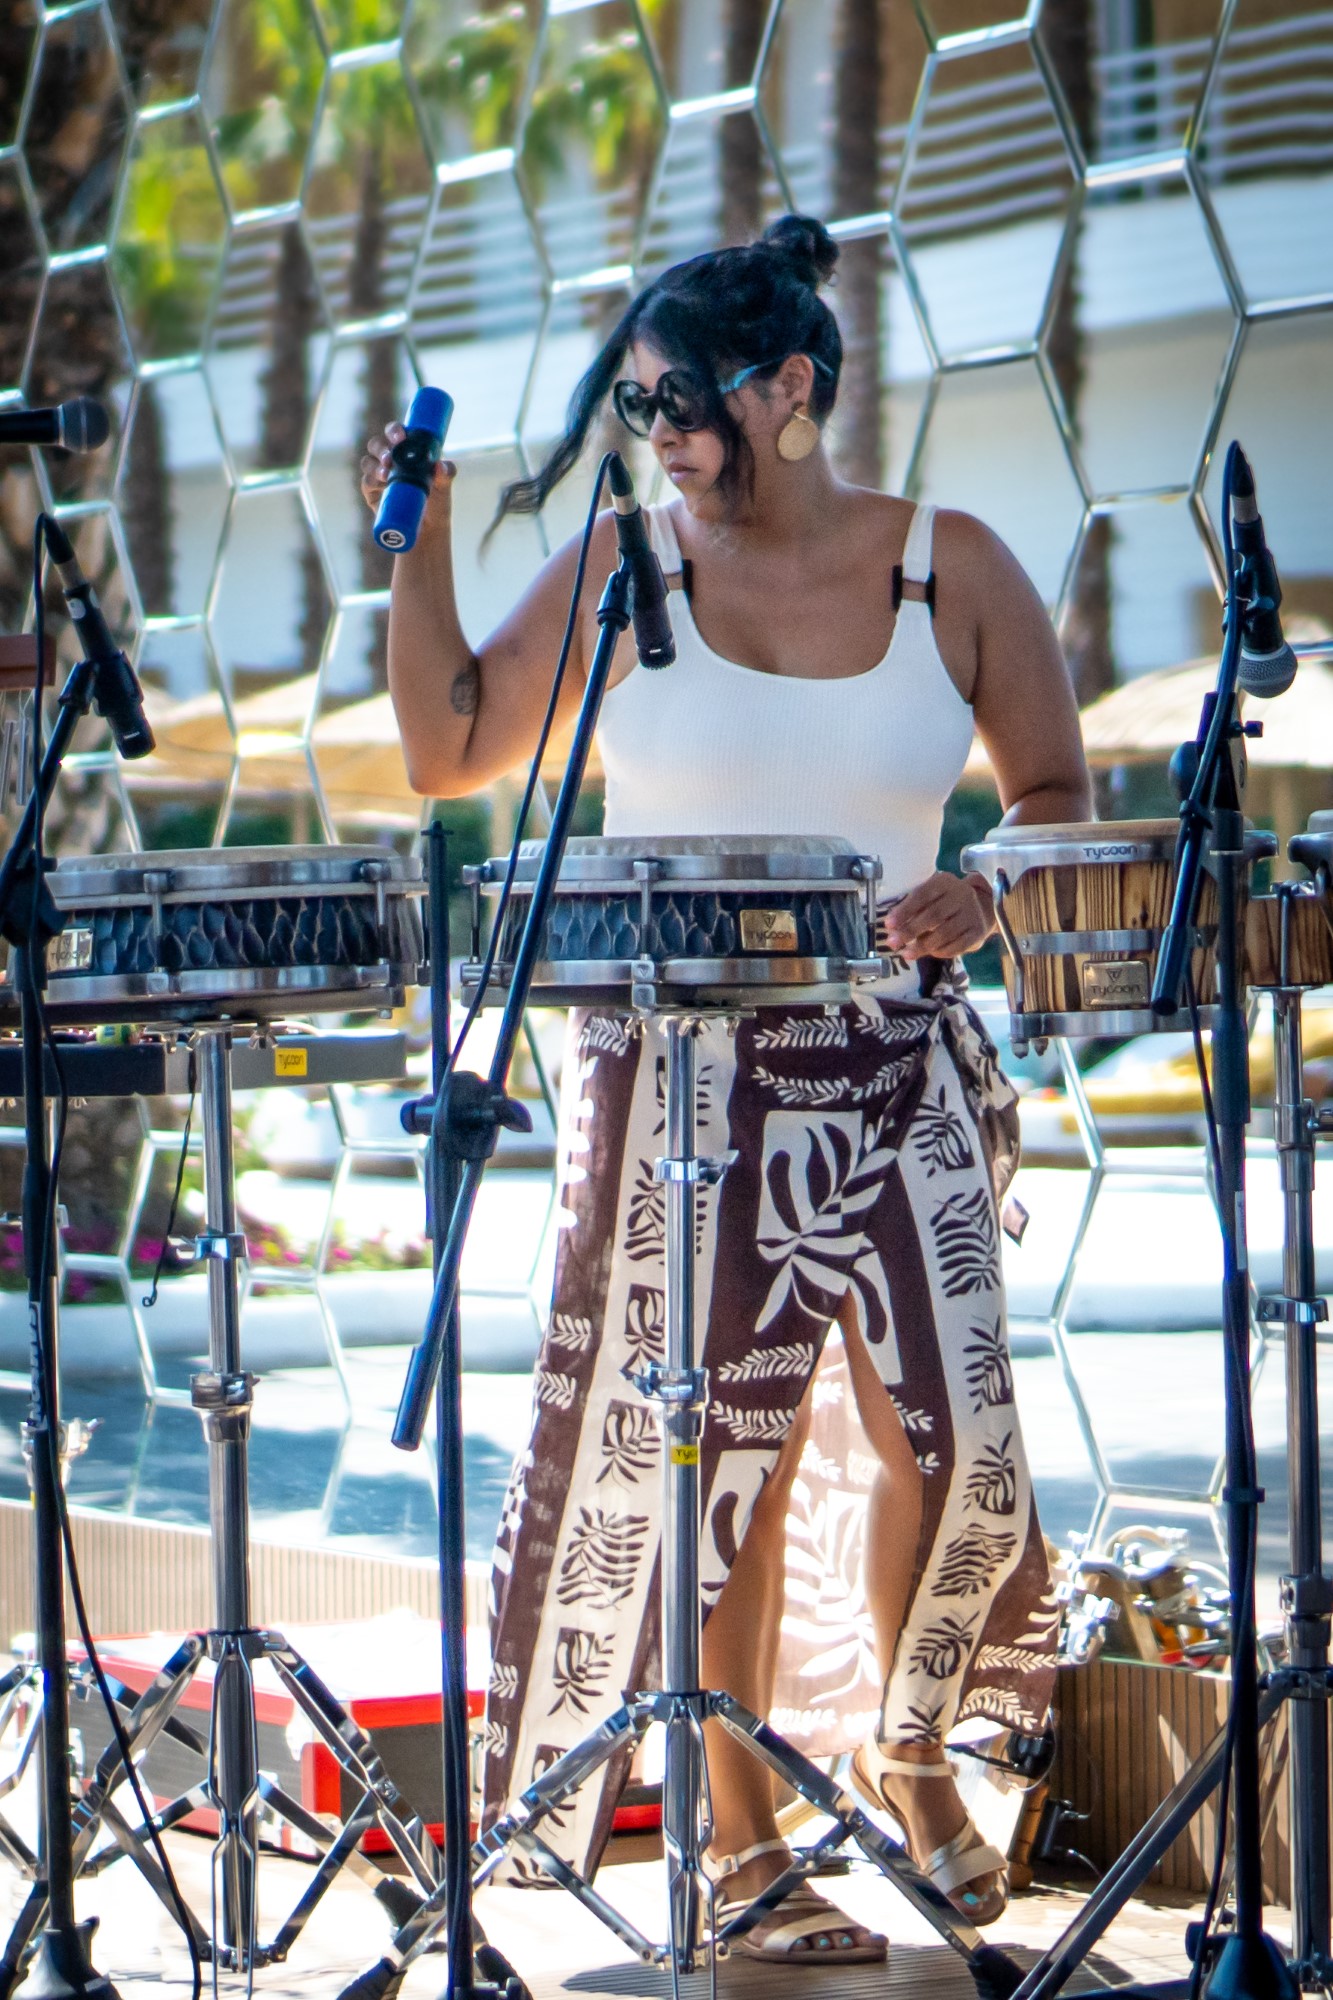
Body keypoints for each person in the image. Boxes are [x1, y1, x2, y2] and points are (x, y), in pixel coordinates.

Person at [361, 212, 1091, 1964]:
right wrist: (424, 537)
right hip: (674, 1077)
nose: (660, 432)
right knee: (718, 1459)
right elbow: (448, 744)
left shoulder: (948, 568)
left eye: (683, 398)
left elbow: (1056, 792)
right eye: (636, 405)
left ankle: (911, 1745)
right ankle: (743, 1846)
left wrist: (986, 888)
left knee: (963, 1443)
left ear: (788, 390)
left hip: (897, 1054)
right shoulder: (627, 569)